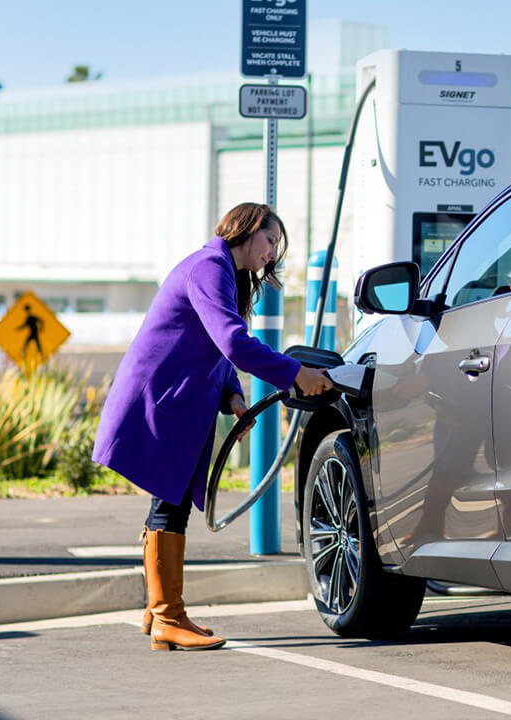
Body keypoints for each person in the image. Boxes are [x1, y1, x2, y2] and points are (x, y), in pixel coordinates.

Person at [93, 202, 334, 652]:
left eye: (277, 246)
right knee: (170, 502)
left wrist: (234, 397)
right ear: (247, 230)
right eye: (270, 241)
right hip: (162, 399)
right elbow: (231, 340)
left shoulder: (220, 271)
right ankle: (168, 616)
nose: (273, 254)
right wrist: (295, 372)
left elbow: (215, 345)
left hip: (175, 400)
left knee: (171, 502)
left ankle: (159, 611)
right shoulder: (209, 266)